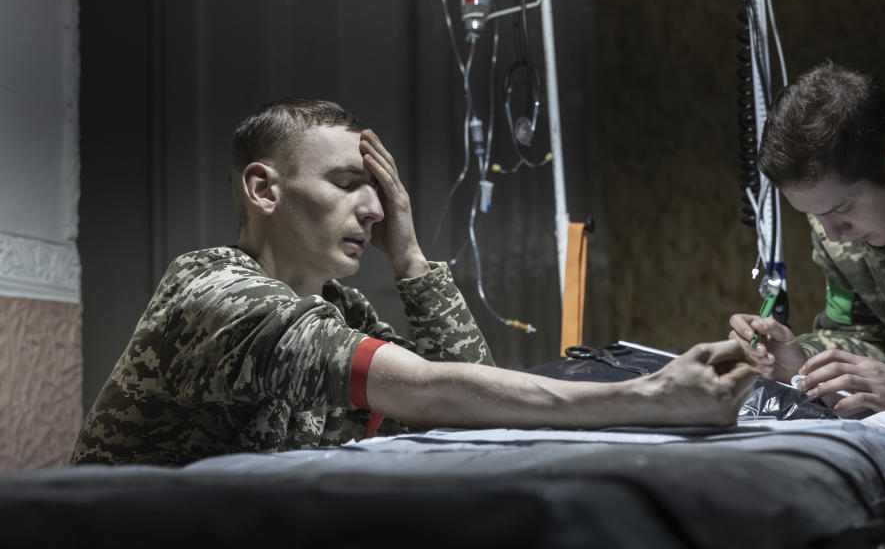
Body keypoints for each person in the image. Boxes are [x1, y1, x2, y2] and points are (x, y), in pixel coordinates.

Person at [74, 99, 756, 466]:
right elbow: (421, 388)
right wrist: (650, 396)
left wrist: (408, 254)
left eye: (379, 193)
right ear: (263, 188)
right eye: (346, 184)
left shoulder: (338, 305)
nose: (371, 208)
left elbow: (466, 400)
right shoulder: (212, 292)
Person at [728, 60, 885, 435]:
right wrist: (801, 362)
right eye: (815, 216)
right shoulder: (835, 209)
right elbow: (862, 330)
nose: (832, 235)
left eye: (840, 211)